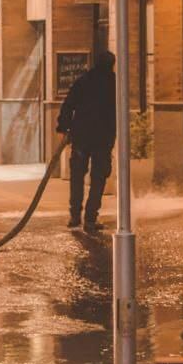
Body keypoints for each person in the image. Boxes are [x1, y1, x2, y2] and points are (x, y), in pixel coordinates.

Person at [56, 51, 116, 234]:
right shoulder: (113, 84)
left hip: (81, 137)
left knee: (77, 177)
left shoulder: (83, 81)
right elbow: (117, 111)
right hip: (102, 139)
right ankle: (90, 217)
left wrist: (63, 127)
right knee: (98, 178)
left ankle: (75, 215)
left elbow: (68, 105)